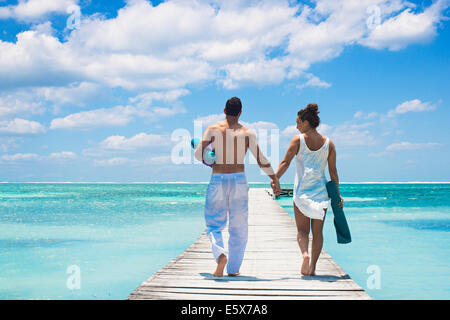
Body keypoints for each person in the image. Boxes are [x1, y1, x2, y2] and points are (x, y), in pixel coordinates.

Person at [195, 97, 281, 277]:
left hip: (218, 177)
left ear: (224, 110)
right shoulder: (247, 133)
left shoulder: (212, 129)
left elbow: (198, 155)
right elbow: (261, 159)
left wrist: (209, 155)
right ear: (241, 113)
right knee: (239, 227)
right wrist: (274, 178)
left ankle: (220, 255)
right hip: (239, 180)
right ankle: (233, 269)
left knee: (214, 224)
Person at [272, 103, 343, 276]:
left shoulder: (298, 140)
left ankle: (305, 255)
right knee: (318, 233)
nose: (296, 126)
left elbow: (285, 162)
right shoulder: (329, 143)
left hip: (302, 192)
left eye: (298, 122)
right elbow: (333, 172)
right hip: (321, 193)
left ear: (305, 122)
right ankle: (313, 268)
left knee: (302, 231)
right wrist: (338, 195)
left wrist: (275, 180)